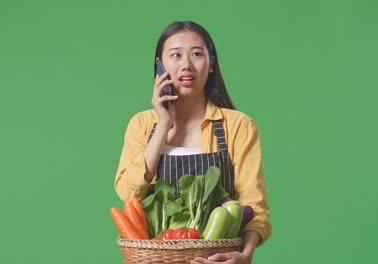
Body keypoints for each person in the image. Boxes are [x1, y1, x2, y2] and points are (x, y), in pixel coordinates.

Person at [114, 21, 271, 263]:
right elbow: (128, 194)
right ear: (160, 65)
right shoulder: (143, 124)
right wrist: (164, 124)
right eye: (175, 55)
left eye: (197, 54)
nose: (186, 65)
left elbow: (254, 206)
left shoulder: (238, 125)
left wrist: (246, 256)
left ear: (211, 63)